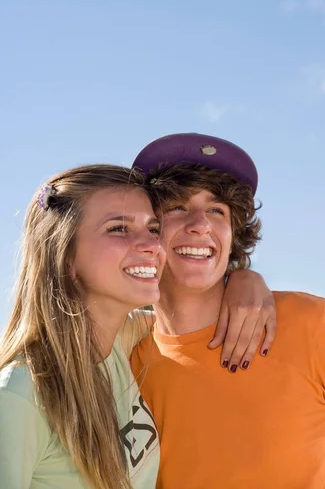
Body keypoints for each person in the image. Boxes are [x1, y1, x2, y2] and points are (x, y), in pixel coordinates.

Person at [131, 133, 325, 489]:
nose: (201, 224)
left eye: (217, 210)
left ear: (233, 235)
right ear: (147, 230)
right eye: (178, 207)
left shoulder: (309, 323)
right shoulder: (125, 359)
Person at [0, 163, 276, 489]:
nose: (152, 246)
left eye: (154, 229)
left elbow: (183, 316)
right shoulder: (20, 394)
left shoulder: (119, 340)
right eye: (119, 229)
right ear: (66, 257)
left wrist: (243, 277)